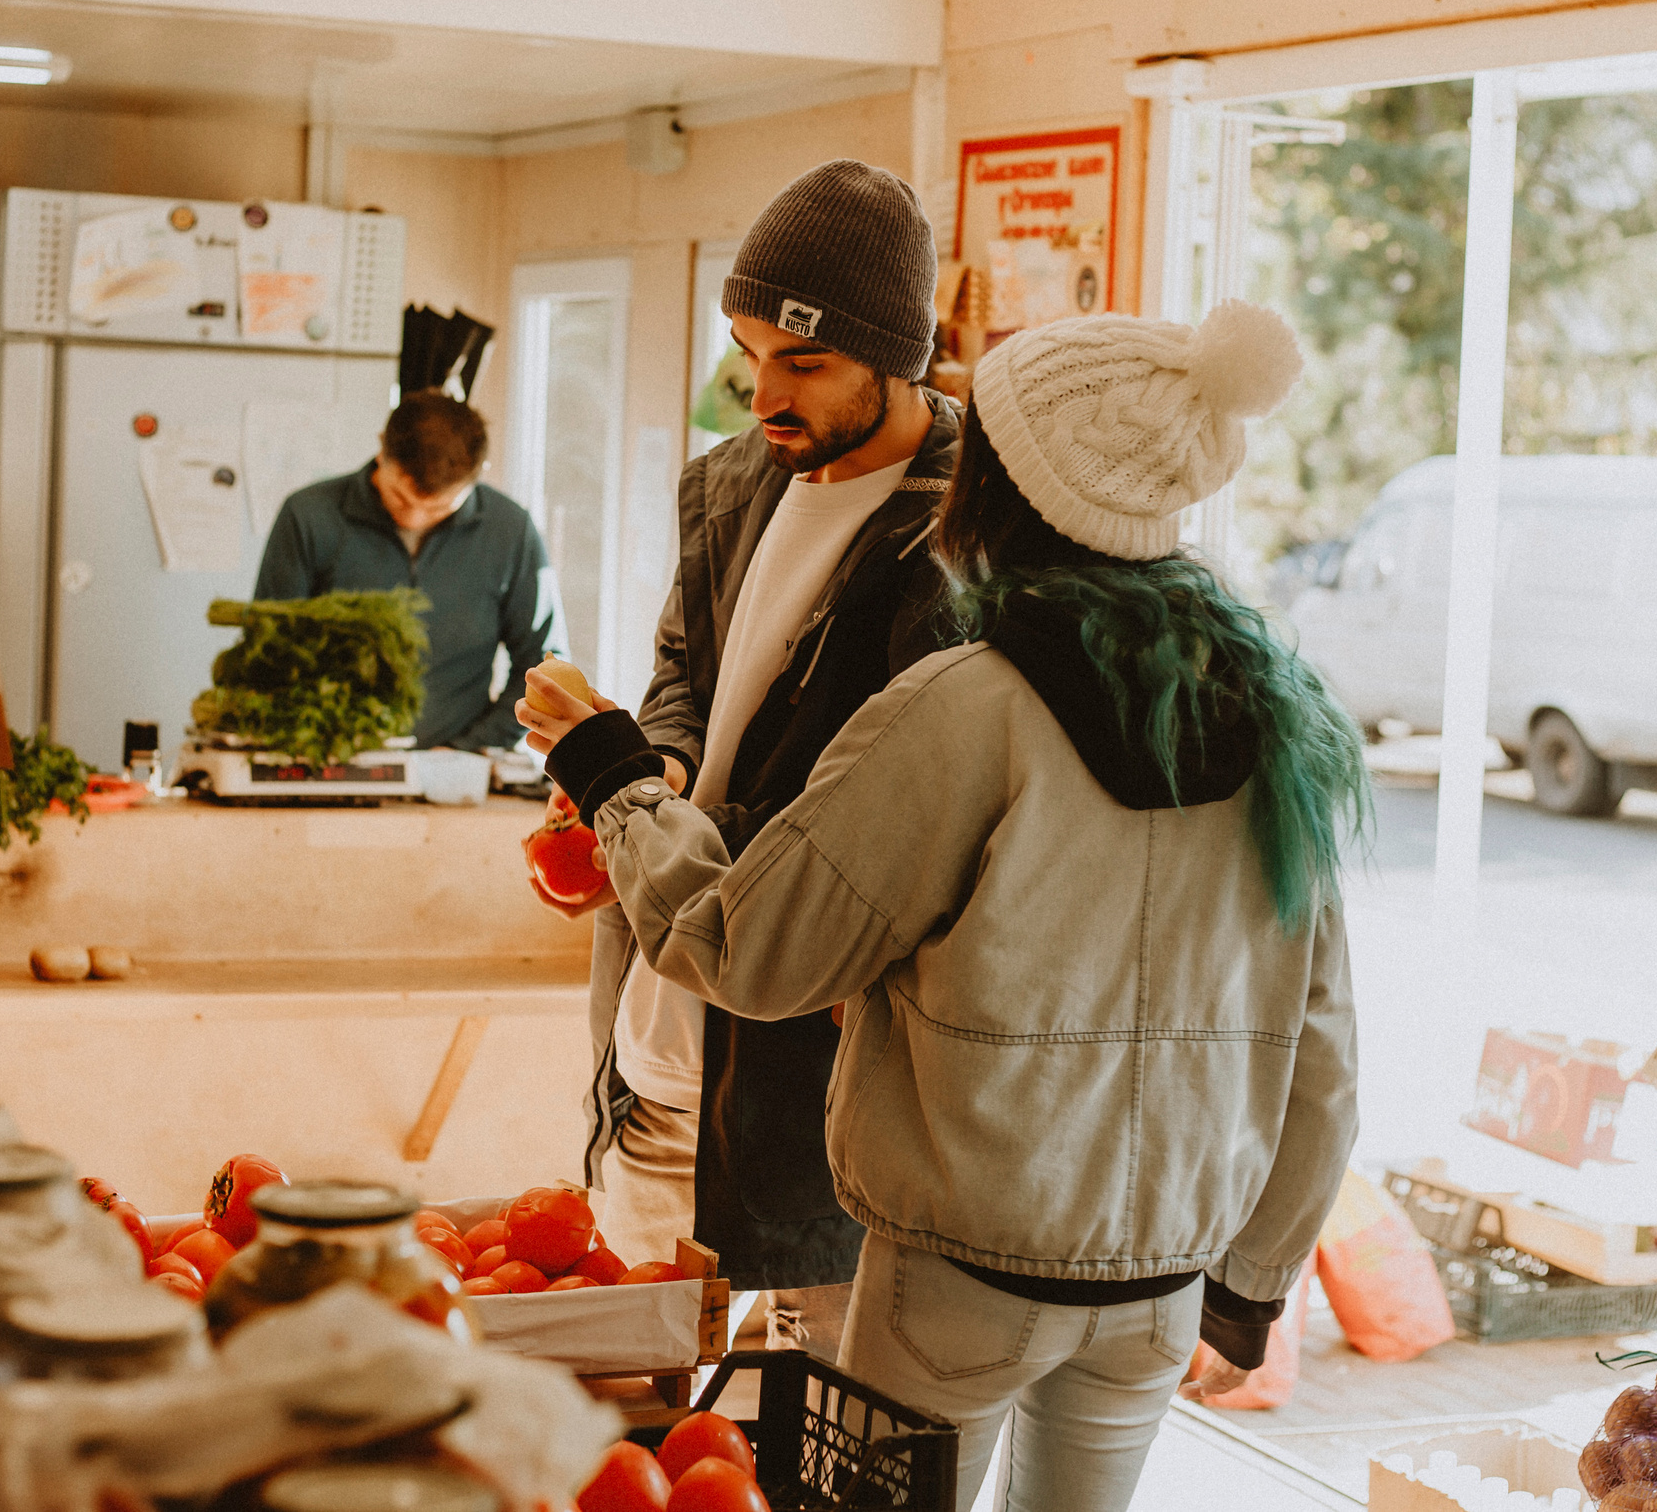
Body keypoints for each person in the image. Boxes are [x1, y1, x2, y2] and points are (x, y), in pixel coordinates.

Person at [521, 301, 1368, 1512]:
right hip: (1164, 1286)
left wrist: (610, 776)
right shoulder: (1279, 717)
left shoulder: (966, 705)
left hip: (959, 1281)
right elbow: (1321, 1040)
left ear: (1006, 491)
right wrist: (1254, 1280)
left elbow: (751, 949)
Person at [535, 159, 963, 1357]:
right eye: (747, 350)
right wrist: (655, 767)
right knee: (635, 1402)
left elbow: (881, 806)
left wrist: (618, 781)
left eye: (803, 363)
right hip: (654, 1038)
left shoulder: (959, 537)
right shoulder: (729, 483)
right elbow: (685, 669)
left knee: (811, 1424)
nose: (760, 392)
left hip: (805, 1080)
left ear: (897, 355)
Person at [254, 390, 561, 753]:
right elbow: (269, 651)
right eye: (400, 498)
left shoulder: (511, 530)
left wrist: (471, 748)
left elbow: (543, 669)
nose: (413, 517)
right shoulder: (308, 516)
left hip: (457, 768)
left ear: (477, 478)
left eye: (438, 509)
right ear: (382, 451)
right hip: (327, 759)